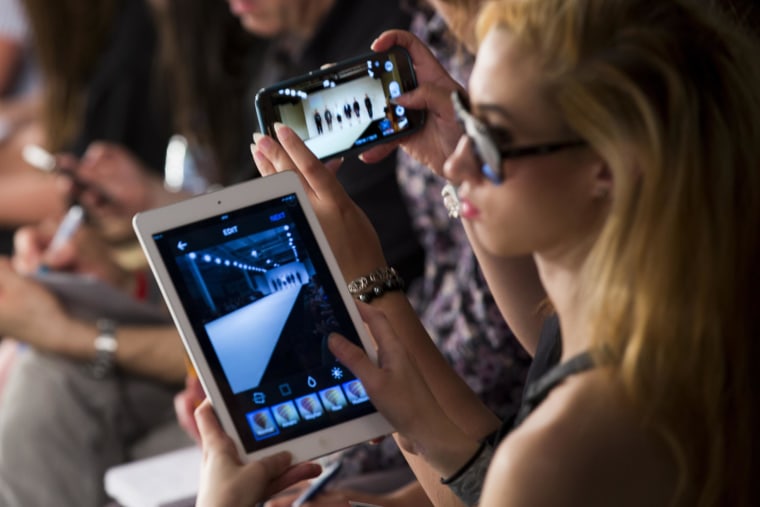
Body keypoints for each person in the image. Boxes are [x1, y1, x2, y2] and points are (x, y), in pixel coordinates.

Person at [203, 0, 760, 505]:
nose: (462, 165)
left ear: (607, 169)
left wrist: (362, 275)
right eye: (468, 116)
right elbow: (538, 351)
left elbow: (494, 481)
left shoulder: (561, 448)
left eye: (493, 137)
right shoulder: (672, 323)